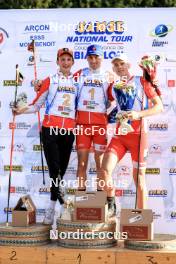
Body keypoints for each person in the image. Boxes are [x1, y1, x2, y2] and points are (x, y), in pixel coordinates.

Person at [13, 48, 77, 225]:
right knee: (54, 168)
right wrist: (20, 111)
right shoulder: (50, 80)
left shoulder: (78, 81)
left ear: (72, 62)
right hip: (50, 130)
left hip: (68, 130)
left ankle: (54, 203)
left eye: (68, 59)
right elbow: (36, 105)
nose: (65, 62)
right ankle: (54, 207)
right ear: (57, 62)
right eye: (62, 59)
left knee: (61, 170)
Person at [100, 54, 163, 214]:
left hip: (139, 135)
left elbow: (159, 107)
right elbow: (103, 100)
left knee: (139, 179)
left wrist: (138, 114)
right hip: (120, 135)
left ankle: (142, 220)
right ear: (113, 68)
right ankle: (111, 204)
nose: (119, 67)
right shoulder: (113, 86)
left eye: (122, 64)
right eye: (116, 65)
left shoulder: (141, 81)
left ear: (128, 64)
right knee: (105, 170)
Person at [74, 44, 114, 191]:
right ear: (86, 58)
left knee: (100, 165)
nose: (93, 60)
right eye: (90, 57)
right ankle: (81, 199)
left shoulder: (109, 76)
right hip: (82, 126)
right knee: (82, 164)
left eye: (96, 57)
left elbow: (117, 95)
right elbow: (63, 88)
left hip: (100, 126)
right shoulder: (79, 74)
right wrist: (38, 84)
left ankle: (100, 200)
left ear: (102, 58)